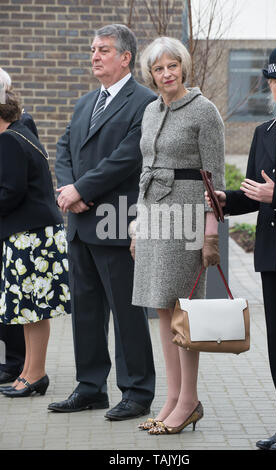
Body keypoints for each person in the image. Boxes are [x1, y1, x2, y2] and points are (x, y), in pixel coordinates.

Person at [48, 24, 156, 419]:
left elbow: (128, 157)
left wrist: (81, 191)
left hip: (116, 223)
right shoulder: (83, 103)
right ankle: (91, 387)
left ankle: (137, 391)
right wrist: (67, 187)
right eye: (93, 49)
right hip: (80, 224)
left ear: (125, 57)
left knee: (127, 313)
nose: (95, 55)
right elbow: (62, 146)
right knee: (87, 313)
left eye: (103, 50)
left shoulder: (145, 103)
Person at [206, 46, 276, 450]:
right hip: (272, 254)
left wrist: (275, 193)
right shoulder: (265, 132)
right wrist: (227, 199)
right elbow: (254, 193)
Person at [131, 37, 225, 435]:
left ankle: (188, 401)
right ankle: (172, 398)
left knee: (185, 313)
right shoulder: (151, 111)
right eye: (158, 68)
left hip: (186, 217)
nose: (166, 74)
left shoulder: (205, 111)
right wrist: (136, 226)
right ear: (150, 75)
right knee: (163, 311)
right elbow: (145, 169)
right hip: (154, 218)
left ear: (183, 68)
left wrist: (210, 235)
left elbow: (215, 180)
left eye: (172, 66)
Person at [0, 87, 71, 398]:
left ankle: (36, 373)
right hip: (34, 233)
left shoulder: (9, 140)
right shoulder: (21, 133)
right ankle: (29, 372)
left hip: (32, 236)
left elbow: (10, 191)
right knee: (29, 310)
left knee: (34, 308)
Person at [0, 69, 38, 388]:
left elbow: (15, 184)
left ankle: (19, 363)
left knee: (17, 298)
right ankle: (17, 363)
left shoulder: (19, 128)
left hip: (16, 225)